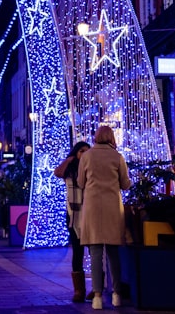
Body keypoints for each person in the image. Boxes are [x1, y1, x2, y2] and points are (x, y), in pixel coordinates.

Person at [77, 126, 131, 310]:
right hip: (112, 208)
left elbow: (80, 182)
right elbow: (125, 184)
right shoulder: (117, 157)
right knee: (113, 253)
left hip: (92, 207)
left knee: (95, 252)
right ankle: (116, 294)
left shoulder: (87, 156)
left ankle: (97, 296)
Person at [54, 140, 91, 302]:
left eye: (87, 151)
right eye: (81, 150)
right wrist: (69, 159)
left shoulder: (92, 168)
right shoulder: (70, 170)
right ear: (76, 153)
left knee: (96, 251)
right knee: (77, 251)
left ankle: (97, 288)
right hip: (74, 214)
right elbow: (57, 172)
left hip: (91, 212)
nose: (84, 153)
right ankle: (79, 290)